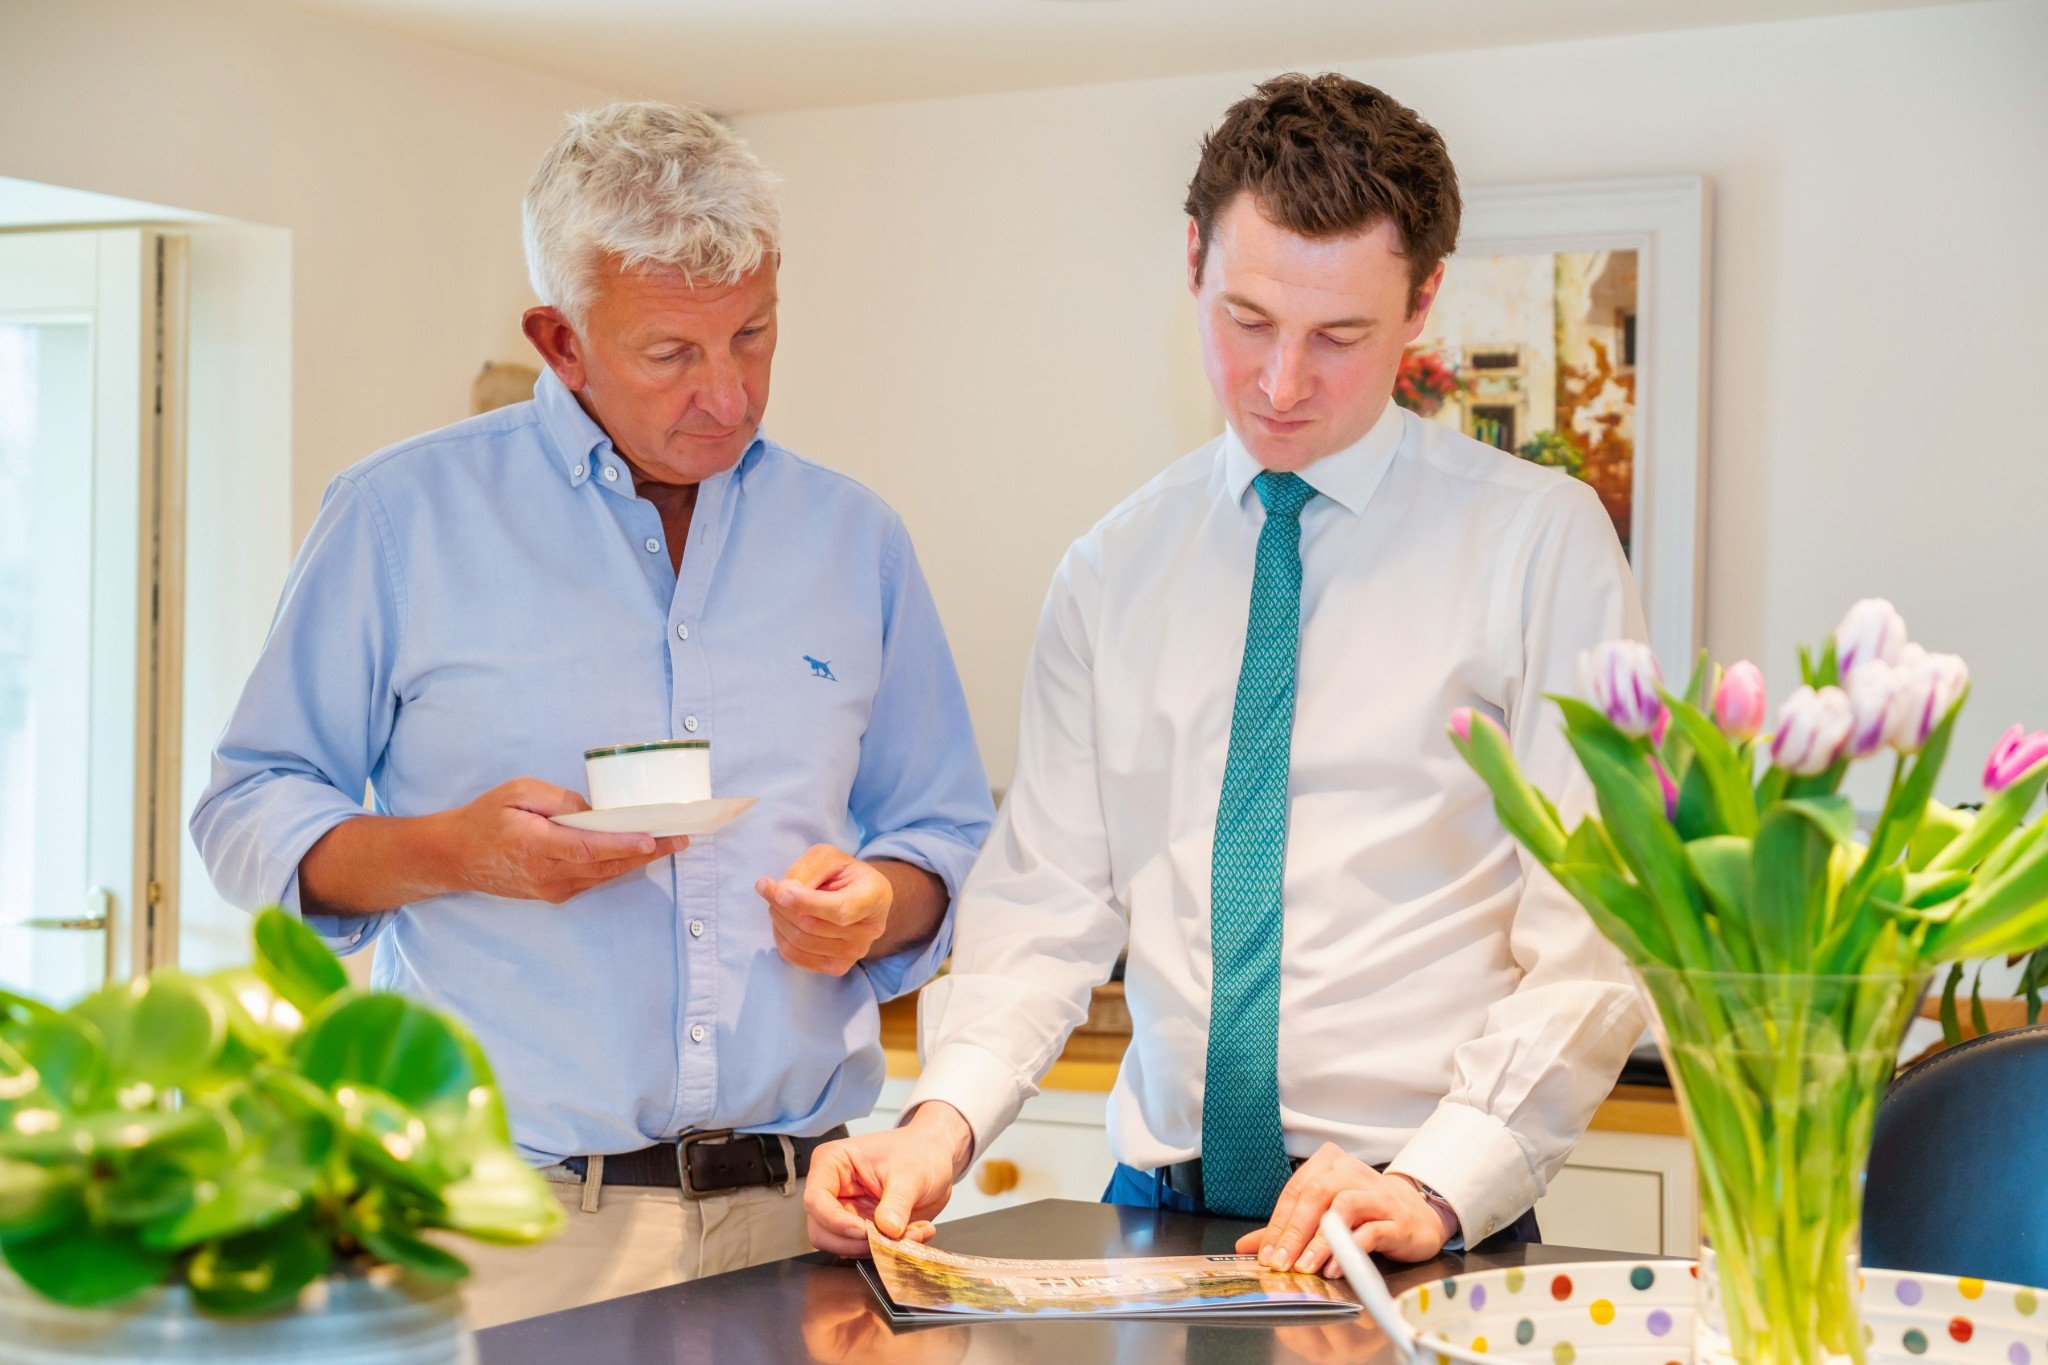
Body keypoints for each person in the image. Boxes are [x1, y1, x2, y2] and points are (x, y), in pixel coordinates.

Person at [804, 73, 1647, 1274]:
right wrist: (935, 1127)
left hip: (1413, 1218)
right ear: (1192, 257)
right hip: (1149, 1216)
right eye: (1246, 320)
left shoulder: (1540, 544)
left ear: (1423, 303)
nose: (1281, 382)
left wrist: (1434, 1183)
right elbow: (1044, 905)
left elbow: (1594, 931)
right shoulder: (1111, 569)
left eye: (1339, 337)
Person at [191, 101, 992, 1326]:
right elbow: (250, 808)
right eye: (672, 354)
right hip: (501, 1233)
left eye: (754, 336)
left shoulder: (855, 541)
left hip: (803, 1217)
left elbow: (944, 833)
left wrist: (885, 902)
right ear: (559, 342)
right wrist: (453, 853)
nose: (726, 395)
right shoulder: (400, 519)